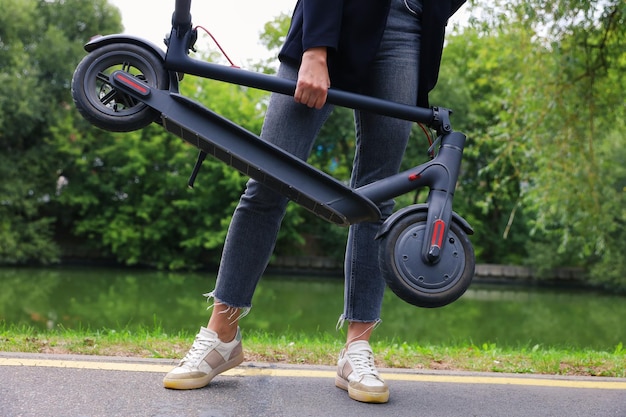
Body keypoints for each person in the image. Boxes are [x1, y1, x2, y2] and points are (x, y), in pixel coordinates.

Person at [163, 0, 466, 404]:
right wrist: (315, 49)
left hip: (406, 30)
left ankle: (356, 351)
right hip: (334, 16)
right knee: (267, 180)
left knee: (377, 200)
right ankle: (222, 336)